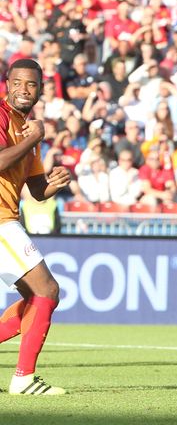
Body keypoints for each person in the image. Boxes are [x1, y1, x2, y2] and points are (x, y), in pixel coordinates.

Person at [0, 59, 71, 395]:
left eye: (31, 85)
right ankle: (23, 379)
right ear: (7, 83)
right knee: (47, 291)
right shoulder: (4, 118)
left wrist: (56, 183)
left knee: (36, 297)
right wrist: (34, 138)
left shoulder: (28, 130)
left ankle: (24, 378)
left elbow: (38, 191)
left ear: (40, 89)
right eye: (18, 83)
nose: (24, 90)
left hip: (7, 217)